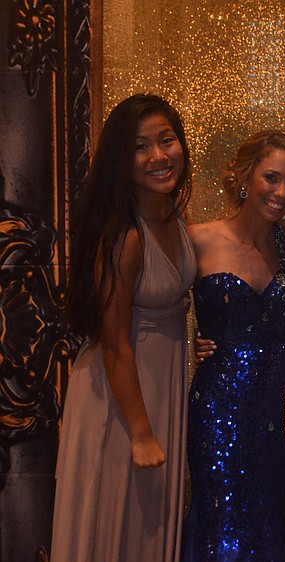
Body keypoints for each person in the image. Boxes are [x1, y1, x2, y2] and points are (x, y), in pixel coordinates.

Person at [52, 94, 196, 561]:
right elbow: (114, 345)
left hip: (162, 387)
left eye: (166, 140)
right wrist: (140, 431)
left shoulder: (175, 216)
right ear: (122, 159)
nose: (158, 156)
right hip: (119, 402)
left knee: (145, 531)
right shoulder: (125, 236)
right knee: (114, 531)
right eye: (140, 147)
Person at [182, 131, 285, 560]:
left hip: (279, 409)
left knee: (272, 518)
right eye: (271, 177)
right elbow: (158, 307)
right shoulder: (198, 239)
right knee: (221, 520)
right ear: (244, 176)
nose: (281, 192)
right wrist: (189, 347)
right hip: (218, 409)